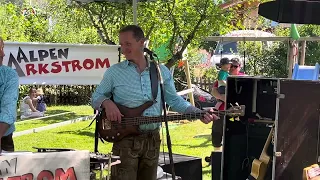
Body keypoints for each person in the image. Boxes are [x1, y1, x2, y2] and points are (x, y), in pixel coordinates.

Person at [91, 25, 219, 180]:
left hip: (152, 139)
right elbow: (95, 97)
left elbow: (174, 100)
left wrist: (198, 113)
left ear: (142, 42)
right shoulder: (115, 72)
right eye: (122, 44)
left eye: (128, 44)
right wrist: (107, 103)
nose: (123, 49)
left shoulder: (160, 70)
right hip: (125, 140)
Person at [210, 57, 246, 151]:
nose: (232, 68)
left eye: (235, 66)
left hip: (237, 111)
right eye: (231, 65)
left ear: (240, 67)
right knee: (217, 132)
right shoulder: (223, 76)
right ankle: (216, 154)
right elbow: (214, 92)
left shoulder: (244, 78)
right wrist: (225, 98)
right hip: (221, 109)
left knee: (235, 134)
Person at [0, 37, 19, 153]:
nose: (3, 53)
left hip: (3, 137)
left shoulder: (9, 75)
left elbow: (8, 110)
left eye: (2, 48)